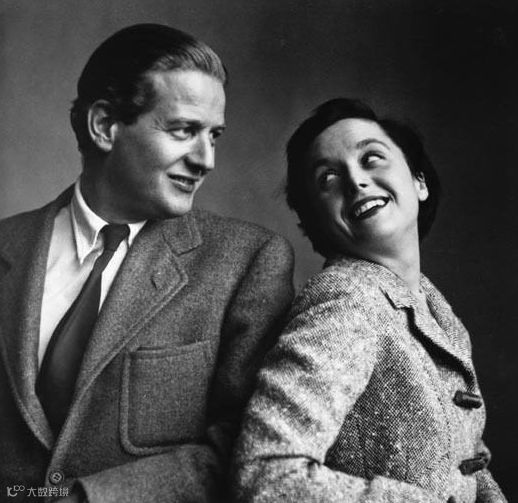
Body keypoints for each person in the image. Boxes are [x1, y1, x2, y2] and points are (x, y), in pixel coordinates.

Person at [0, 24, 294, 503]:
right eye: (184, 130)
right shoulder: (6, 246)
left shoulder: (248, 263)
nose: (206, 159)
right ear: (104, 126)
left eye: (214, 135)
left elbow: (242, 445)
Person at [233, 98, 507, 502]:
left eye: (372, 159)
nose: (356, 181)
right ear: (315, 221)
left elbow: (466, 468)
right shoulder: (346, 301)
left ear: (419, 182)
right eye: (327, 179)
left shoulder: (435, 313)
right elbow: (266, 475)